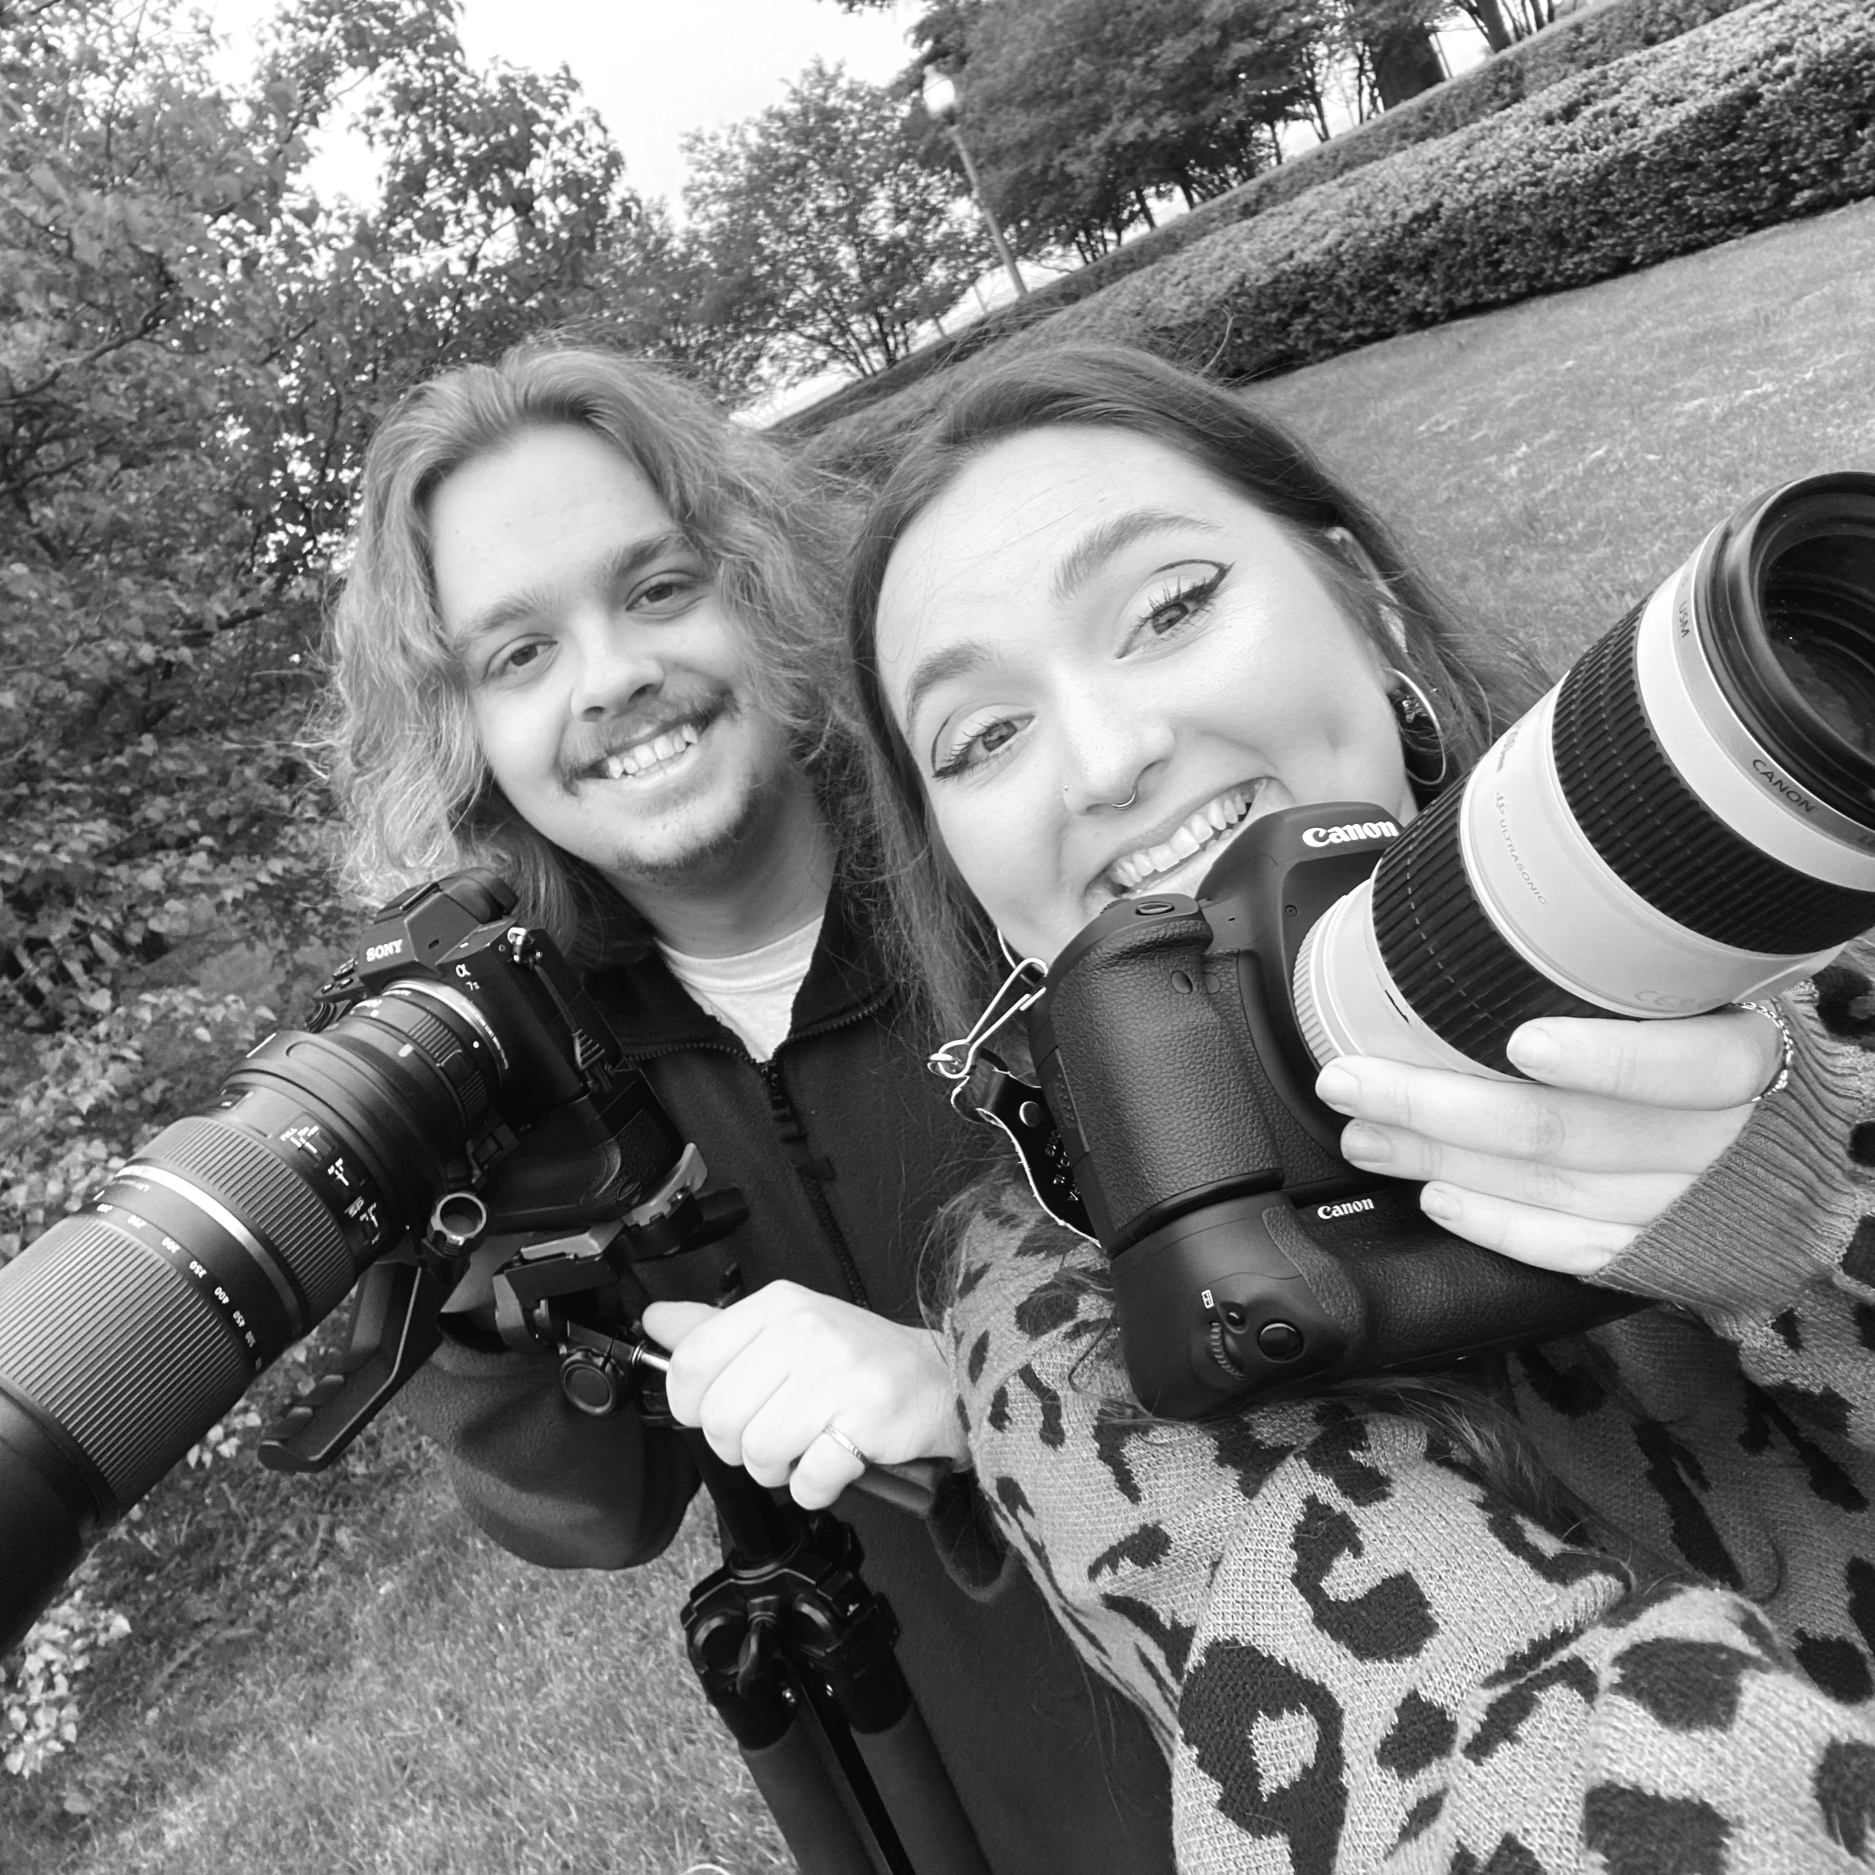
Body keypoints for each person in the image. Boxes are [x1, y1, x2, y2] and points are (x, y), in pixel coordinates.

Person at [835, 342, 1875, 1871]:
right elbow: (1468, 1761)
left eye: (1170, 608)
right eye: (981, 737)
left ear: (1362, 604)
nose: (1110, 759)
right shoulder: (1060, 1320)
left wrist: (1817, 1213)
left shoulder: (1783, 927)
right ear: (975, 887)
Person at [320, 342, 1176, 1872]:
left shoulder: (1010, 876)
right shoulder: (532, 1059)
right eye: (516, 654)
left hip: (1275, 1712)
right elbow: (593, 1511)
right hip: (926, 1782)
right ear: (467, 734)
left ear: (762, 589)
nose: (610, 678)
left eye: (655, 589)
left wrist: (972, 1391)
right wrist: (459, 1271)